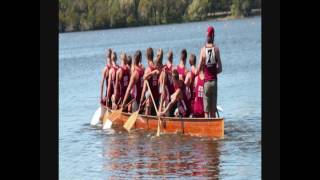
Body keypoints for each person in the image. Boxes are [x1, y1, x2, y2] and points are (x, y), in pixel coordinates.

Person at [198, 26, 222, 118]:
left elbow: (198, 68)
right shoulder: (216, 50)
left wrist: (202, 74)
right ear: (213, 36)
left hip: (206, 83)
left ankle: (207, 129)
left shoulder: (203, 50)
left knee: (206, 112)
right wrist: (213, 72)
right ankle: (215, 128)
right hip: (214, 82)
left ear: (207, 36)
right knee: (213, 111)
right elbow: (220, 69)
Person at [140, 47, 161, 115]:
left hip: (151, 97)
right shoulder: (156, 67)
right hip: (157, 96)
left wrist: (141, 101)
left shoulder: (148, 69)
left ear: (146, 56)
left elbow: (144, 88)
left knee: (148, 114)